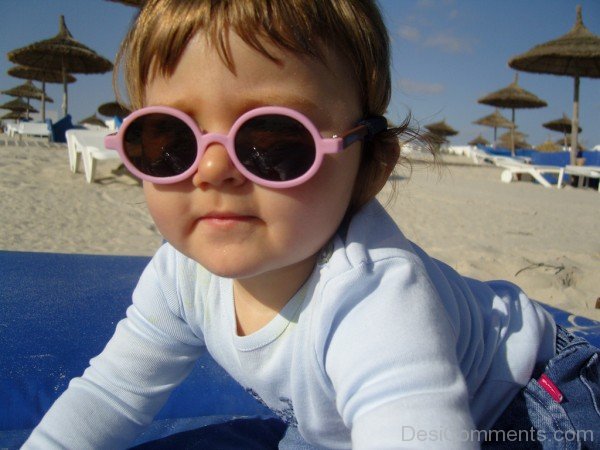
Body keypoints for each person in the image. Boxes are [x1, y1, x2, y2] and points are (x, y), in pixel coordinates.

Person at [24, 0, 599, 448]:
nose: (214, 168)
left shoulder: (373, 299)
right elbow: (112, 395)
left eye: (274, 142)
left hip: (530, 399)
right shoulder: (179, 276)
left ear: (369, 167)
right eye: (168, 141)